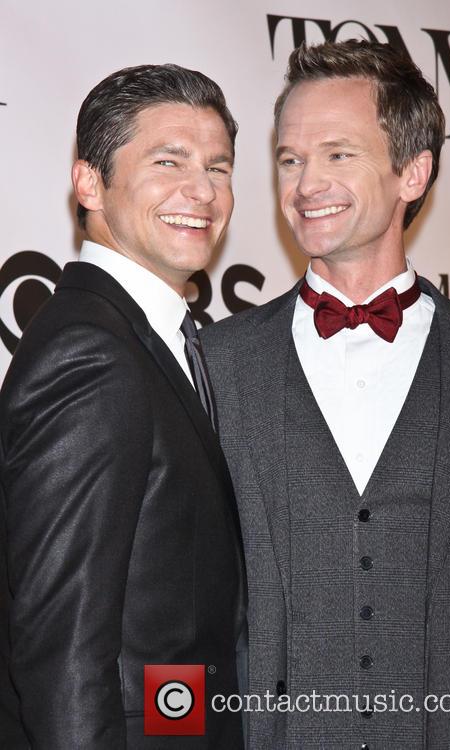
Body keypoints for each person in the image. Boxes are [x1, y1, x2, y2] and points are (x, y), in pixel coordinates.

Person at [200, 40, 450, 749]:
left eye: (338, 154)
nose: (306, 184)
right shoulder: (214, 363)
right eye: (290, 159)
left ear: (413, 170)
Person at [0, 63, 246, 749]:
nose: (202, 191)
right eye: (170, 161)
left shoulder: (160, 341)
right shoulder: (92, 354)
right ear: (89, 184)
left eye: (219, 168)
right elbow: (61, 648)